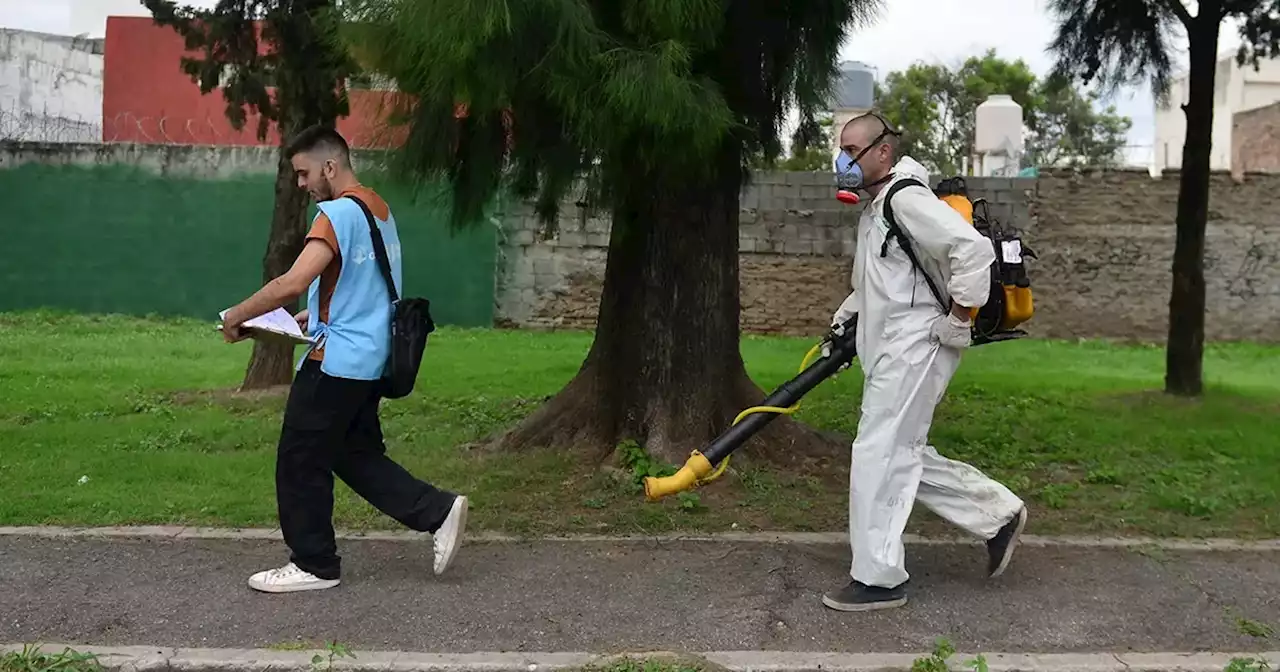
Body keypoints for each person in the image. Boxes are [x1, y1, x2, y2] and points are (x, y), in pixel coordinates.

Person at [220, 125, 468, 593]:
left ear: (330, 167)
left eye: (304, 173)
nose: (301, 184)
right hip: (370, 361)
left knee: (299, 460)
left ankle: (314, 564)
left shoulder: (334, 214)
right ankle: (437, 511)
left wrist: (236, 315)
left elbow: (289, 281)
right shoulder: (379, 210)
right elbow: (362, 288)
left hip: (334, 366)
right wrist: (313, 313)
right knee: (351, 455)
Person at [821, 112, 1028, 612]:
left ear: (883, 153)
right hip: (892, 345)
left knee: (877, 453)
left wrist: (959, 319)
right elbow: (875, 283)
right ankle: (997, 514)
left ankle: (879, 577)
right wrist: (845, 322)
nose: (843, 160)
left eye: (853, 150)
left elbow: (972, 251)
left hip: (918, 346)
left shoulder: (905, 198)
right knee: (900, 449)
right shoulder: (876, 207)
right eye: (841, 150)